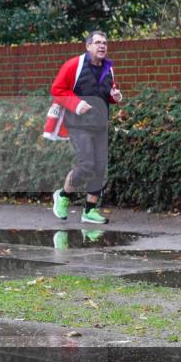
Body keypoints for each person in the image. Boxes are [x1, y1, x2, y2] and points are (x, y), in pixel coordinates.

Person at [48, 31, 122, 224]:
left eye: (105, 43)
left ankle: (89, 211)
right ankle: (63, 195)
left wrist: (114, 97)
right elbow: (57, 90)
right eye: (97, 42)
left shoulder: (108, 68)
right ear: (88, 46)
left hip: (100, 124)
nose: (102, 46)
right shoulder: (74, 65)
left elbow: (107, 93)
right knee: (87, 165)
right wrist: (76, 104)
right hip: (78, 124)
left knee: (99, 167)